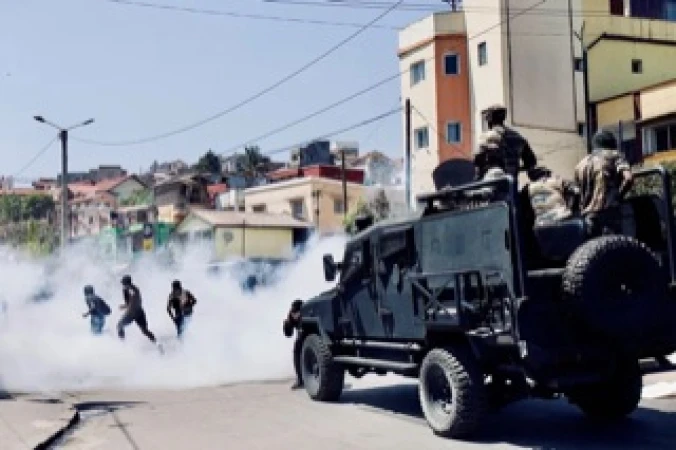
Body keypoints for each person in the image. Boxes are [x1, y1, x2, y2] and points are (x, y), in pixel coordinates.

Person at [574, 129, 633, 236]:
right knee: (615, 244)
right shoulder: (614, 155)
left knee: (595, 245)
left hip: (588, 216)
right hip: (609, 212)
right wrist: (618, 197)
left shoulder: (580, 164)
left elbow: (577, 192)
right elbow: (628, 178)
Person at [479, 104, 537, 180]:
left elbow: (478, 160)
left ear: (490, 119)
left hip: (492, 183)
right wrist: (515, 169)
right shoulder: (517, 137)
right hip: (511, 183)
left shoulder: (487, 136)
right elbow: (531, 162)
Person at [117, 275, 156, 343]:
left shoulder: (132, 290)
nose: (123, 285)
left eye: (123, 283)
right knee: (144, 330)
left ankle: (122, 344)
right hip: (138, 312)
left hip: (133, 313)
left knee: (120, 325)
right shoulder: (127, 289)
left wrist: (125, 306)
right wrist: (126, 306)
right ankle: (156, 342)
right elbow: (130, 302)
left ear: (127, 283)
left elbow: (134, 302)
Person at [283, 299, 304, 390]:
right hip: (301, 337)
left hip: (311, 337)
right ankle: (300, 379)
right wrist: (287, 324)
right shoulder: (291, 315)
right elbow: (288, 334)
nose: (295, 315)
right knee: (296, 351)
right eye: (293, 312)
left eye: (297, 312)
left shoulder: (306, 313)